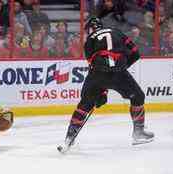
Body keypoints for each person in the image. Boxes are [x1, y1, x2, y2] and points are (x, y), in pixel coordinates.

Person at [59, 17, 154, 153]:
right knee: (138, 97)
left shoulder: (89, 40)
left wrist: (102, 91)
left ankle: (69, 138)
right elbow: (135, 53)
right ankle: (138, 133)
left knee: (85, 105)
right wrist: (122, 67)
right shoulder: (116, 32)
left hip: (98, 74)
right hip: (119, 72)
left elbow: (97, 66)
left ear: (90, 30)